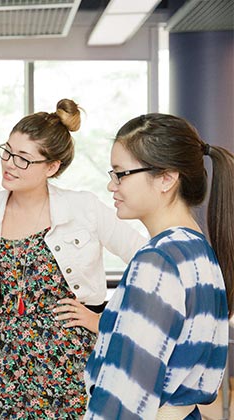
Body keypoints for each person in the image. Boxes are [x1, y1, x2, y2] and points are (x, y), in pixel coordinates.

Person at [0, 99, 147, 418]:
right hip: (3, 373)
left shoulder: (84, 209)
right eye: (7, 152)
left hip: (69, 368)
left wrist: (102, 320)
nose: (9, 164)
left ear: (52, 167)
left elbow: (148, 259)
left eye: (23, 159)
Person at [84, 114, 233, 419]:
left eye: (121, 174)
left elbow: (126, 398)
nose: (112, 185)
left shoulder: (158, 261)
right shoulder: (200, 253)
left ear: (166, 178)